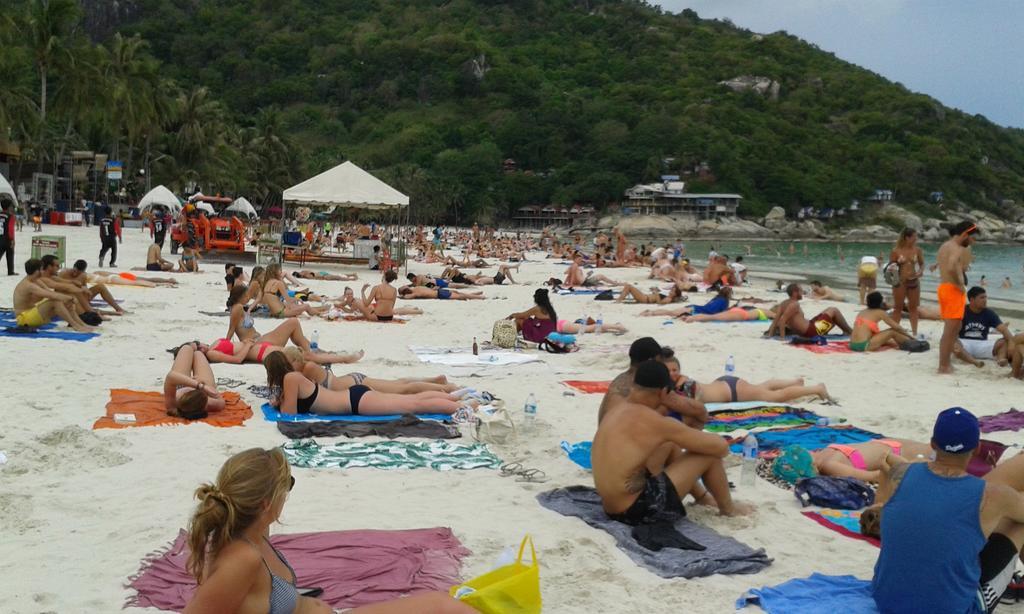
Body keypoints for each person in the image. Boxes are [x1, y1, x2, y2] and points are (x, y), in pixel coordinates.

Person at [183, 448, 472, 614]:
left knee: (442, 605)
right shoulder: (241, 558)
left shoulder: (256, 532)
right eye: (288, 486)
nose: (288, 494)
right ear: (266, 503)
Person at [870, 407, 1024, 613]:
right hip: (956, 609)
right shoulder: (993, 495)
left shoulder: (901, 473)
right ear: (977, 449)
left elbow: (890, 465)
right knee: (1018, 524)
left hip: (887, 601)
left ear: (933, 444)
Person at [592, 360, 753, 522]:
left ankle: (702, 497)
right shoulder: (654, 422)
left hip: (611, 506)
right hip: (634, 512)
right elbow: (721, 448)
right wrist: (672, 406)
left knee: (669, 443)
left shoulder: (617, 409)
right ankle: (728, 510)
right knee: (708, 455)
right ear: (663, 392)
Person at [264, 352, 469, 416]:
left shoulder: (291, 379)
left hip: (355, 401)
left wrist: (278, 403)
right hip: (354, 394)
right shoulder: (295, 378)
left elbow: (289, 414)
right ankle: (453, 398)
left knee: (412, 404)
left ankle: (461, 406)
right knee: (409, 397)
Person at [217, 284, 360, 365]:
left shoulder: (241, 307)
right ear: (240, 296)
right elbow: (230, 330)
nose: (249, 296)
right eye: (246, 295)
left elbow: (258, 294)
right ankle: (315, 352)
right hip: (256, 344)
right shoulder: (236, 309)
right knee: (293, 323)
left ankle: (314, 351)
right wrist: (227, 347)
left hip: (259, 342)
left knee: (294, 325)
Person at [597, 337, 706, 426]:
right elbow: (697, 410)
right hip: (628, 437)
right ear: (651, 360)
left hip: (604, 436)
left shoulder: (620, 379)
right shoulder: (650, 378)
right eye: (660, 360)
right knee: (690, 416)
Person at [282, 347, 456, 395]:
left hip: (357, 383)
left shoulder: (308, 369)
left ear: (296, 361)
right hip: (354, 381)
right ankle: (435, 380)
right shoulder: (306, 367)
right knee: (399, 384)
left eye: (289, 364)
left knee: (403, 389)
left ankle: (446, 389)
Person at [663, 354, 831, 404]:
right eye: (668, 370)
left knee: (775, 397)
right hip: (723, 384)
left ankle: (817, 388)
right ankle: (795, 382)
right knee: (761, 387)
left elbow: (692, 403)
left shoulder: (685, 384)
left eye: (675, 370)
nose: (672, 373)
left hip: (732, 391)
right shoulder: (673, 384)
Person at [779, 439, 934, 484]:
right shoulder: (826, 451)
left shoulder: (829, 465)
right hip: (887, 446)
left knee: (937, 457)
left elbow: (874, 476)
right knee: (939, 451)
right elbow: (874, 476)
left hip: (892, 454)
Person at [937, 221, 979, 374]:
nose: (972, 241)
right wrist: (961, 283)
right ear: (965, 234)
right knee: (950, 331)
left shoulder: (945, 245)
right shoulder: (956, 247)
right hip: (952, 290)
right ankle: (944, 366)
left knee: (953, 329)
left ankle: (945, 363)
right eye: (971, 237)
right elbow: (951, 265)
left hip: (944, 288)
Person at [12, 258, 95, 332]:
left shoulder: (35, 280)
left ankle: (80, 324)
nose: (43, 271)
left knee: (64, 300)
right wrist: (69, 297)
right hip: (24, 319)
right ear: (37, 271)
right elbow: (50, 295)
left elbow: (51, 292)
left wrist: (68, 299)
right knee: (55, 301)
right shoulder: (29, 285)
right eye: (41, 269)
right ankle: (75, 325)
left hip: (30, 314)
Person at [507, 287, 628, 337]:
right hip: (560, 324)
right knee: (589, 328)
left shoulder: (538, 308)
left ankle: (616, 326)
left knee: (590, 329)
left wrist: (510, 315)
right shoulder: (547, 307)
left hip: (561, 326)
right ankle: (613, 326)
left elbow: (521, 315)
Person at [954, 286, 1016, 368]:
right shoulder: (961, 311)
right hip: (964, 343)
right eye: (982, 297)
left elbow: (1003, 329)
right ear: (972, 300)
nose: (985, 300)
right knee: (952, 342)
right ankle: (974, 362)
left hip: (982, 344)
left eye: (986, 297)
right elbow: (952, 331)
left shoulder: (989, 313)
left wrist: (1011, 343)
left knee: (1004, 341)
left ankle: (1001, 359)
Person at [766, 283, 853, 338]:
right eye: (801, 290)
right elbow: (782, 321)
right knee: (834, 310)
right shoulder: (794, 304)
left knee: (829, 310)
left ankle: (846, 331)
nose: (803, 292)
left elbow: (776, 320)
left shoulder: (784, 303)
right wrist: (782, 339)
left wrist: (770, 335)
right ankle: (850, 332)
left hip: (811, 326)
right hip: (812, 331)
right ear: (795, 293)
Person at [164, 342, 225, 419]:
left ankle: (195, 346)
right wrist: (204, 386)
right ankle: (199, 348)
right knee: (198, 354)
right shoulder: (211, 403)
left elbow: (171, 376)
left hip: (181, 386)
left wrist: (198, 385)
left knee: (186, 348)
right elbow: (220, 399)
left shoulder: (174, 401)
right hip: (206, 386)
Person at [849, 291, 915, 352]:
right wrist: (909, 336)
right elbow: (896, 327)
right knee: (892, 331)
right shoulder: (880, 312)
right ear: (880, 302)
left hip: (852, 345)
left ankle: (907, 341)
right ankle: (910, 343)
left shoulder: (862, 312)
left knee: (887, 337)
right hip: (864, 346)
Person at [888, 228, 925, 336]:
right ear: (907, 238)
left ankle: (914, 333)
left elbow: (922, 264)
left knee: (913, 308)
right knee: (898, 307)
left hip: (914, 281)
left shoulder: (917, 250)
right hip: (899, 282)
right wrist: (898, 263)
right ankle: (894, 332)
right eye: (914, 237)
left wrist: (920, 271)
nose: (916, 239)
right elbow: (890, 267)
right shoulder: (896, 251)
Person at [348, 270, 422, 321]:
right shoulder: (394, 290)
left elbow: (366, 304)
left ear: (384, 276)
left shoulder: (376, 288)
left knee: (357, 301)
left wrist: (362, 291)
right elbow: (391, 307)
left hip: (377, 316)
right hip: (389, 316)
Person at [616, 282, 684, 305]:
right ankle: (620, 299)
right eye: (671, 289)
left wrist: (657, 294)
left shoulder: (669, 298)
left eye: (672, 291)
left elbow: (659, 303)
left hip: (645, 299)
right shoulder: (668, 296)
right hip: (645, 297)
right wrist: (655, 292)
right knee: (628, 286)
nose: (670, 291)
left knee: (628, 286)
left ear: (675, 294)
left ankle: (619, 300)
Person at [398, 286, 484, 300]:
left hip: (439, 294)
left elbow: (407, 297)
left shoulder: (415, 292)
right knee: (458, 293)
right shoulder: (416, 288)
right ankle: (475, 294)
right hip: (438, 291)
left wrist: (400, 296)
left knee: (460, 296)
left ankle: (478, 297)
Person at [0, 197, 15, 275]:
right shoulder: (10, 216)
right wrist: (12, 240)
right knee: (10, 254)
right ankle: (10, 271)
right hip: (7, 239)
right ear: (9, 206)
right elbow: (10, 229)